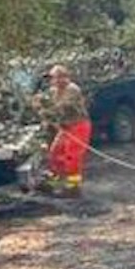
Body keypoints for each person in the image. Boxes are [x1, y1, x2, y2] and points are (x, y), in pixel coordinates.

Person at [36, 64, 91, 195]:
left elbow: (63, 107)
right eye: (51, 79)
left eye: (54, 78)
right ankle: (53, 183)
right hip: (65, 127)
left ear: (63, 77)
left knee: (72, 156)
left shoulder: (72, 89)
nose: (52, 81)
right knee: (55, 153)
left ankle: (73, 187)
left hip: (78, 125)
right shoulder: (53, 91)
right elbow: (49, 108)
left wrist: (46, 107)